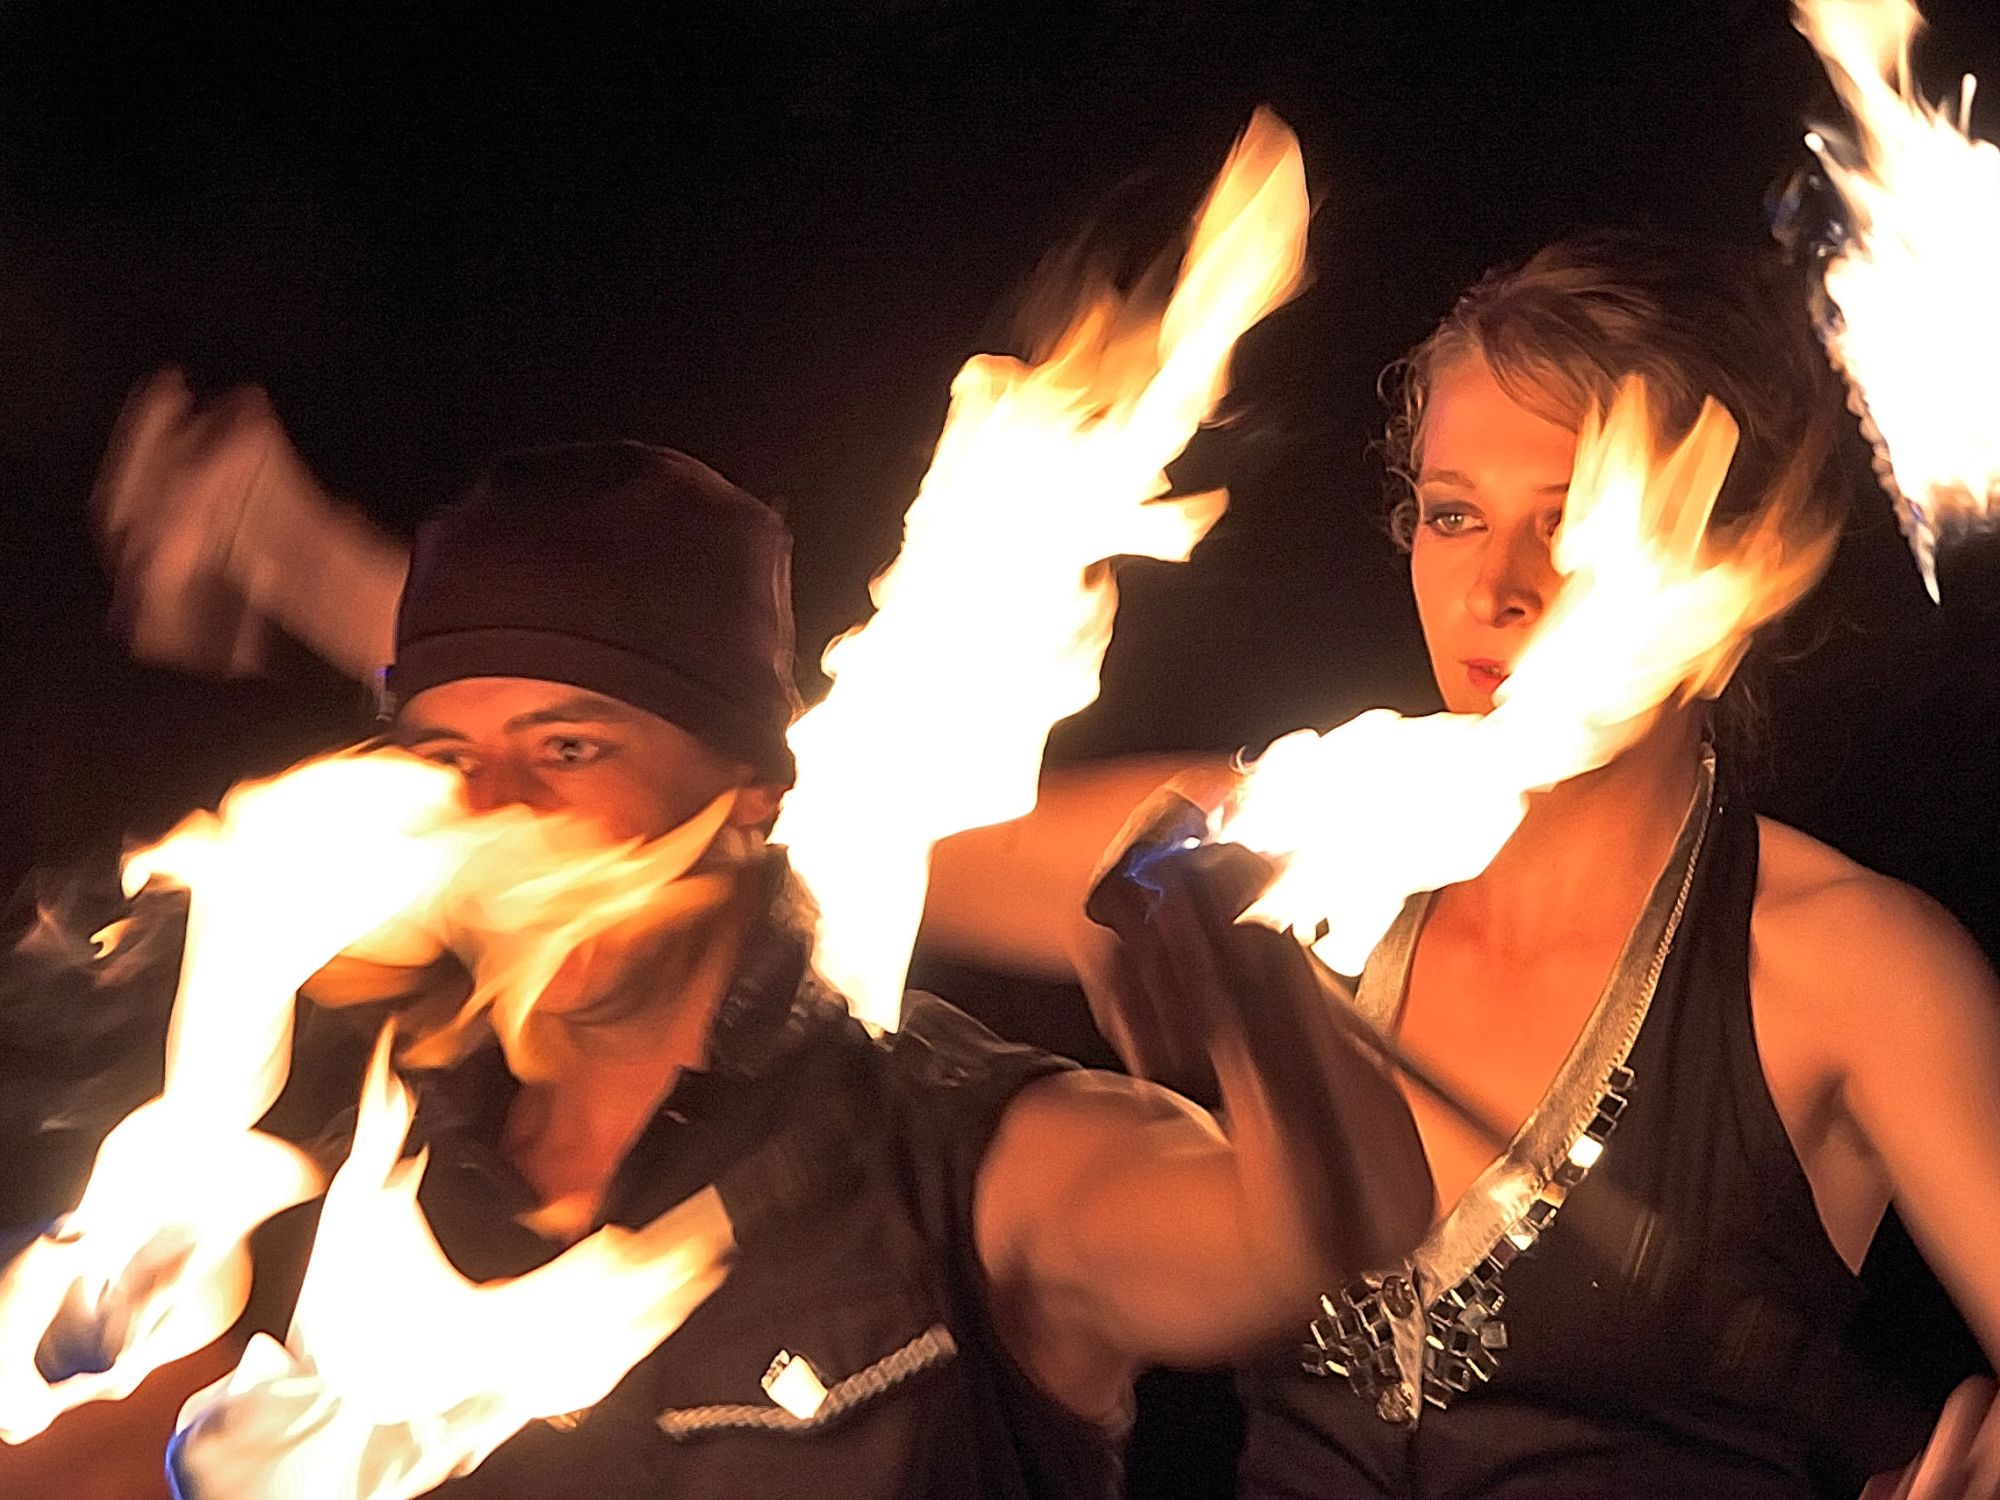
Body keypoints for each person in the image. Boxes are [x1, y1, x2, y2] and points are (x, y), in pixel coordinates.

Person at [88, 231, 2000, 1496]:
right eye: (1446, 510)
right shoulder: (1277, 852)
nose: (1495, 586)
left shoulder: (1853, 970)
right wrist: (335, 575)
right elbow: (760, 806)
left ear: (1714, 564)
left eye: (1572, 521)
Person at [37, 433, 1432, 1499]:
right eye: (450, 763)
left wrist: (1253, 963)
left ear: (754, 792)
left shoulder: (958, 1156)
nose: (502, 818)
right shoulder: (349, 1165)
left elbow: (1302, 1245)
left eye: (571, 750)